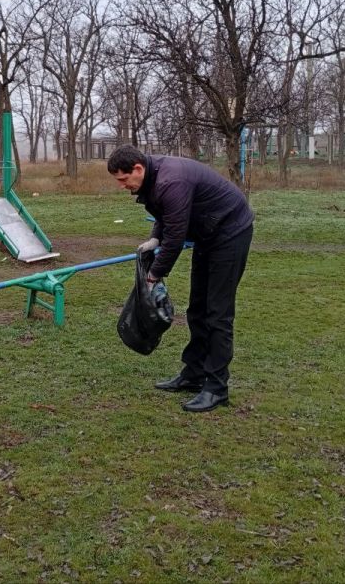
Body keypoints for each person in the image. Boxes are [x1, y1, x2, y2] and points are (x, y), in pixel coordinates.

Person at [108, 145, 254, 413]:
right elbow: (165, 214)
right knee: (197, 309)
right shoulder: (154, 176)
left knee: (218, 314)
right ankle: (194, 374)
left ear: (138, 168)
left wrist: (154, 275)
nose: (121, 185)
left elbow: (175, 237)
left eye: (124, 179)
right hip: (208, 233)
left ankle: (217, 388)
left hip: (230, 232)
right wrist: (155, 237)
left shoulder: (171, 180)